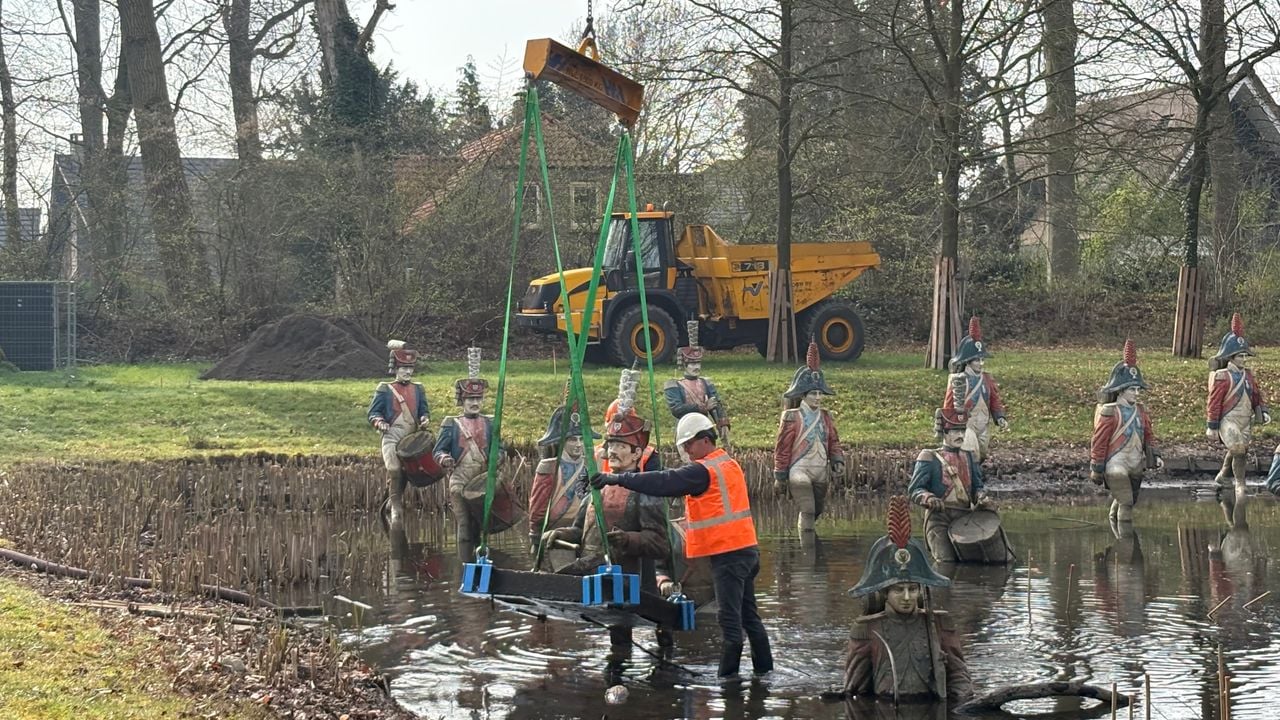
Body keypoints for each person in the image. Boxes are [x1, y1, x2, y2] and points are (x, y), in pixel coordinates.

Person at [591, 412, 774, 680]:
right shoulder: (728, 464)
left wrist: (617, 479)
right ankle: (764, 674)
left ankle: (729, 682)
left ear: (704, 439)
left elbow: (663, 481)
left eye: (689, 444)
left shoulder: (703, 470)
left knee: (730, 623)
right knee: (749, 617)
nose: (686, 451)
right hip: (746, 550)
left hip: (729, 555)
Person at [541, 408, 668, 648]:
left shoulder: (646, 491)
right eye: (611, 445)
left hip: (628, 581)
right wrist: (559, 534)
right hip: (594, 575)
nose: (613, 451)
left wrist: (628, 539)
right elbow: (580, 532)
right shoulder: (597, 489)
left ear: (636, 454)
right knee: (615, 638)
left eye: (621, 446)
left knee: (621, 636)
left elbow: (660, 544)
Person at [842, 495, 971, 703]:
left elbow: (958, 676)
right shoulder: (867, 630)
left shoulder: (940, 624)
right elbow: (857, 692)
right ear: (884, 592)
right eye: (898, 590)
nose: (907, 597)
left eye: (913, 589)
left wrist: (960, 704)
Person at [774, 339, 845, 536]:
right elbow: (783, 448)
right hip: (800, 469)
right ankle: (806, 555)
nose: (817, 397)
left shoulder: (826, 416)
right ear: (803, 395)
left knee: (818, 509)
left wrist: (837, 459)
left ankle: (805, 539)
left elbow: (833, 442)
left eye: (819, 393)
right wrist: (780, 475)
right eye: (813, 393)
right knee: (808, 508)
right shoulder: (791, 417)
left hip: (820, 470)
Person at [907, 408, 996, 563]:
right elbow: (915, 490)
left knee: (974, 562)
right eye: (955, 431)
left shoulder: (969, 457)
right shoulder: (929, 457)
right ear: (945, 433)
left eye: (962, 431)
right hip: (939, 519)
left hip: (966, 519)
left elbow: (977, 487)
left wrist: (981, 497)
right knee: (946, 562)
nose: (960, 435)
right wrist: (928, 498)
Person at [1206, 313, 1271, 527]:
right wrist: (1212, 425)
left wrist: (1262, 410)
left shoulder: (1249, 376)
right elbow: (1215, 402)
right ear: (1231, 357)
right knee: (1239, 450)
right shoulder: (1223, 377)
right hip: (1228, 418)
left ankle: (1224, 475)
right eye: (1240, 356)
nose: (1243, 359)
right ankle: (1240, 484)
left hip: (1245, 420)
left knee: (1238, 449)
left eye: (1245, 356)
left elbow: (1255, 395)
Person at [1090, 339, 1162, 527]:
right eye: (1132, 389)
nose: (1136, 393)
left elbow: (1148, 435)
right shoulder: (1110, 412)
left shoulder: (1140, 411)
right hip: (1116, 463)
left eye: (1138, 389)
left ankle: (1115, 528)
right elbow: (1099, 442)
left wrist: (1155, 454)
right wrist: (1097, 467)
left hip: (1135, 463)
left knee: (1128, 500)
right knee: (1127, 503)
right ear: (1121, 391)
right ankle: (1125, 547)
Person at [433, 347, 497, 551]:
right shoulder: (451, 424)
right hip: (460, 480)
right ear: (463, 401)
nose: (475, 403)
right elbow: (438, 451)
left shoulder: (490, 423)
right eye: (470, 399)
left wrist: (499, 457)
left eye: (478, 399)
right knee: (464, 523)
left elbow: (500, 448)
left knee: (481, 525)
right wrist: (444, 459)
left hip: (482, 480)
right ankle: (464, 560)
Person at [367, 340, 430, 530]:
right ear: (396, 369)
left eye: (410, 369)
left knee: (406, 474)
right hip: (392, 436)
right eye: (404, 368)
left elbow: (423, 411)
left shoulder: (418, 389)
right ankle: (395, 507)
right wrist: (380, 423)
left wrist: (425, 419)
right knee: (394, 469)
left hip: (411, 439)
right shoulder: (385, 389)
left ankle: (390, 503)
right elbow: (373, 413)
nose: (408, 373)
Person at [527, 398, 599, 551]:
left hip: (582, 530)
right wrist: (536, 536)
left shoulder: (590, 466)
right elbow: (538, 506)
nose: (578, 444)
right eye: (573, 439)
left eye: (581, 439)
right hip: (554, 531)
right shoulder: (549, 467)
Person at [942, 316, 1008, 462]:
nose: (981, 363)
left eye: (981, 360)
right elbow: (949, 405)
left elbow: (994, 400)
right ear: (968, 361)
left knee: (982, 453)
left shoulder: (987, 379)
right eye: (977, 360)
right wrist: (949, 427)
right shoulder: (959, 380)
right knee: (971, 454)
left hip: (983, 424)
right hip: (966, 425)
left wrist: (999, 417)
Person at [664, 321, 730, 444]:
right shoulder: (674, 385)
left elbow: (716, 403)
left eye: (698, 363)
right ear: (684, 365)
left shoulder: (706, 382)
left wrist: (722, 422)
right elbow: (677, 409)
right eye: (692, 364)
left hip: (705, 428)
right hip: (686, 428)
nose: (696, 367)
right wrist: (702, 407)